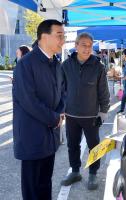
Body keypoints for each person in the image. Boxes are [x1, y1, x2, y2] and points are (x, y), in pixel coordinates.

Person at [12, 19, 65, 200]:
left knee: (45, 184)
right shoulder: (26, 64)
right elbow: (29, 101)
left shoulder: (56, 63)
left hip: (49, 137)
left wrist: (59, 112)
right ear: (44, 37)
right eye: (59, 35)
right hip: (31, 137)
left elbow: (62, 92)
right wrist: (55, 118)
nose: (63, 40)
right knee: (33, 189)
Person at [60, 32, 110, 190]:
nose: (87, 48)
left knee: (94, 145)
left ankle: (93, 173)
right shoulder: (66, 65)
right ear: (76, 46)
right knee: (72, 145)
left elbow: (104, 91)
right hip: (71, 114)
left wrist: (103, 112)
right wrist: (60, 109)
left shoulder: (98, 67)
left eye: (89, 46)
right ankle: (75, 171)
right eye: (83, 45)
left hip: (91, 116)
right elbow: (61, 89)